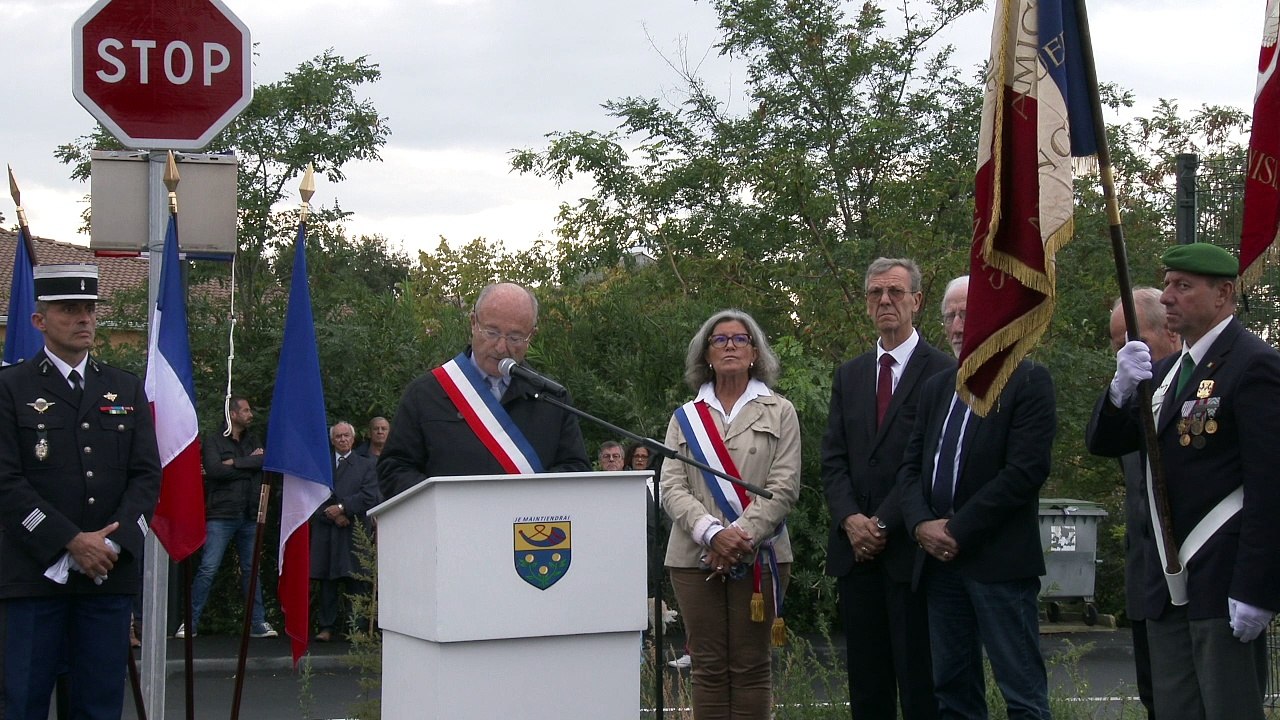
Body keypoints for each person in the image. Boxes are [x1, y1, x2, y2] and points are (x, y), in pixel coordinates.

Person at [1087, 243, 1280, 720]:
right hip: (1167, 584)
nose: (1168, 296)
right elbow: (1105, 442)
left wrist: (1258, 588)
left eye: (1183, 286)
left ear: (1223, 294)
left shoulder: (1253, 364)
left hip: (1221, 583)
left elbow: (1269, 487)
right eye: (1168, 283)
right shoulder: (1169, 372)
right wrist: (1119, 390)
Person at [0, 263, 161, 720]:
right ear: (39, 321)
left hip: (105, 575)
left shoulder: (124, 388)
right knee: (24, 703)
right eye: (69, 310)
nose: (83, 320)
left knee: (97, 706)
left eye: (89, 310)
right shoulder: (11, 389)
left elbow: (146, 476)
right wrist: (70, 540)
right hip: (34, 575)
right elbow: (6, 481)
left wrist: (110, 543)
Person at [899, 276, 1055, 719]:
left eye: (966, 313)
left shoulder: (1027, 380)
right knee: (952, 690)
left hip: (997, 563)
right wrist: (919, 524)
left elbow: (1025, 472)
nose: (955, 325)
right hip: (939, 567)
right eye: (949, 315)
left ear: (993, 315)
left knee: (1021, 692)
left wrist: (957, 529)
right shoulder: (936, 388)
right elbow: (910, 469)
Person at [821, 258, 952, 720]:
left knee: (921, 686)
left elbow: (929, 460)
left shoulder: (943, 371)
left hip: (910, 554)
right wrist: (851, 519)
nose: (885, 301)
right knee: (868, 688)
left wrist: (881, 523)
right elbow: (834, 460)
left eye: (895, 292)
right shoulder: (850, 374)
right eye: (876, 293)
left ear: (916, 300)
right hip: (856, 558)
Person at [660, 309, 801, 720]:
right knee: (707, 669)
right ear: (706, 354)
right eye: (719, 340)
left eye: (740, 339)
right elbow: (671, 486)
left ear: (755, 352)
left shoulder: (780, 411)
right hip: (693, 556)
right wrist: (711, 533)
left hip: (761, 554)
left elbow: (784, 485)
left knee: (751, 667)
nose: (730, 347)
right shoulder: (684, 417)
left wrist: (737, 536)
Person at [378, 282, 590, 499]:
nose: (501, 347)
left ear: (531, 336)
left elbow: (576, 469)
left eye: (515, 338)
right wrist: (442, 501)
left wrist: (532, 498)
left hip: (526, 529)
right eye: (492, 332)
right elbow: (393, 470)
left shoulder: (552, 398)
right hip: (453, 527)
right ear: (473, 323)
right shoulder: (425, 394)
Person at [1105, 287, 1180, 720]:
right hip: (1144, 582)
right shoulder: (1132, 399)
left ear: (1169, 330)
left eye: (1135, 344)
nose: (1126, 357)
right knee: (1155, 701)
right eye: (1118, 349)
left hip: (1185, 582)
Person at [181, 396, 277, 638]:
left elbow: (264, 460)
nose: (250, 414)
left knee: (251, 568)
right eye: (245, 410)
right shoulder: (214, 440)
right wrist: (248, 465)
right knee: (208, 568)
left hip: (250, 513)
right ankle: (189, 622)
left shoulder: (254, 440)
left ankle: (258, 623)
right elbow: (213, 470)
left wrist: (234, 463)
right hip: (221, 513)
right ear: (233, 414)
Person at [311, 422, 381, 642]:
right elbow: (312, 495)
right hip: (327, 529)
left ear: (353, 439)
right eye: (338, 436)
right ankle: (326, 627)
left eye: (346, 436)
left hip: (354, 528)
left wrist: (343, 509)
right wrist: (331, 513)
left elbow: (370, 496)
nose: (342, 439)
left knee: (356, 581)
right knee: (327, 582)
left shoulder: (366, 465)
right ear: (332, 440)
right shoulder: (320, 464)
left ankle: (356, 628)